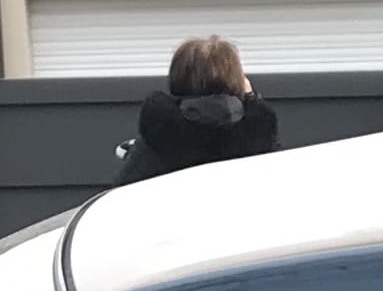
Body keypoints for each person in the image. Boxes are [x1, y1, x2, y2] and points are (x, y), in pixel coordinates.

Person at [111, 35, 281, 184]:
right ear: (239, 82)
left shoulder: (159, 136)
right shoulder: (259, 141)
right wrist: (251, 99)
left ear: (177, 80)